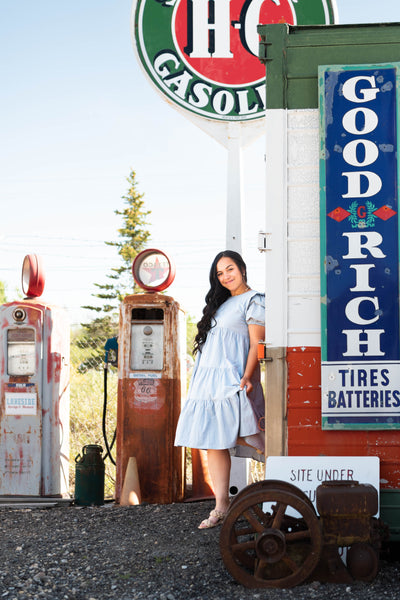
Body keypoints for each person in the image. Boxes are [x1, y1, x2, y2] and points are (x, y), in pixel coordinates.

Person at [174, 250, 265, 529]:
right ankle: (221, 506)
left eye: (230, 269)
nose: (225, 276)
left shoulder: (254, 300)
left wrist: (248, 375)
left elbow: (255, 344)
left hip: (233, 378)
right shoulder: (221, 303)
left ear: (242, 269)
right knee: (214, 442)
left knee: (256, 437)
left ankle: (284, 491)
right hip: (207, 381)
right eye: (220, 273)